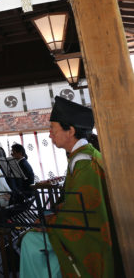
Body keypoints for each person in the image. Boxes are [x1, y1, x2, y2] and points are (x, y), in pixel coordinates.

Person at [20, 96, 122, 277]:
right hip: (91, 229)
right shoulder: (86, 155)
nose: (50, 133)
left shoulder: (83, 161)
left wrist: (48, 222)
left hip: (91, 237)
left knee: (29, 241)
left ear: (70, 131)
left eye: (53, 128)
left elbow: (83, 214)